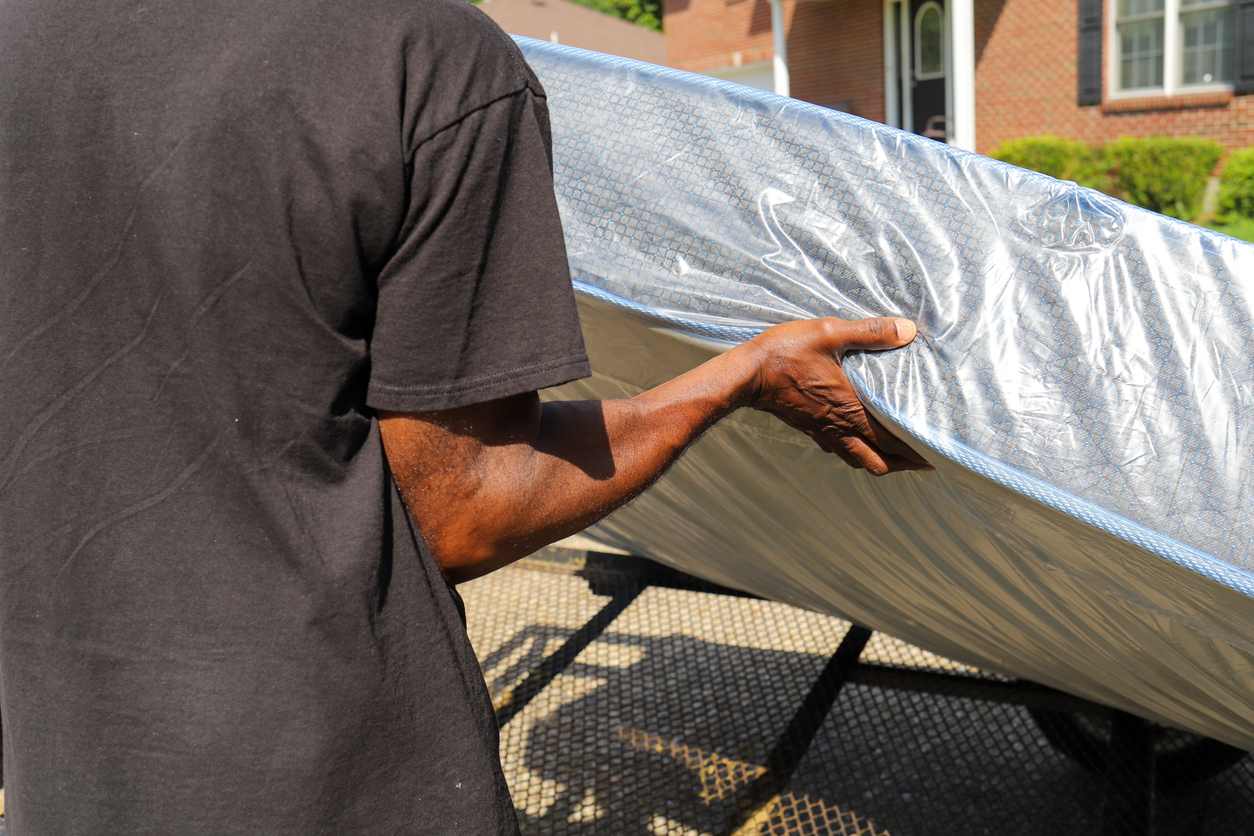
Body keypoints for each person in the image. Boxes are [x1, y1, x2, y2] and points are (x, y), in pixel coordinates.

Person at [0, 0, 927, 832]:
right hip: (330, 779)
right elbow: (466, 507)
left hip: (68, 757)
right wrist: (740, 377)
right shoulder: (423, 58)